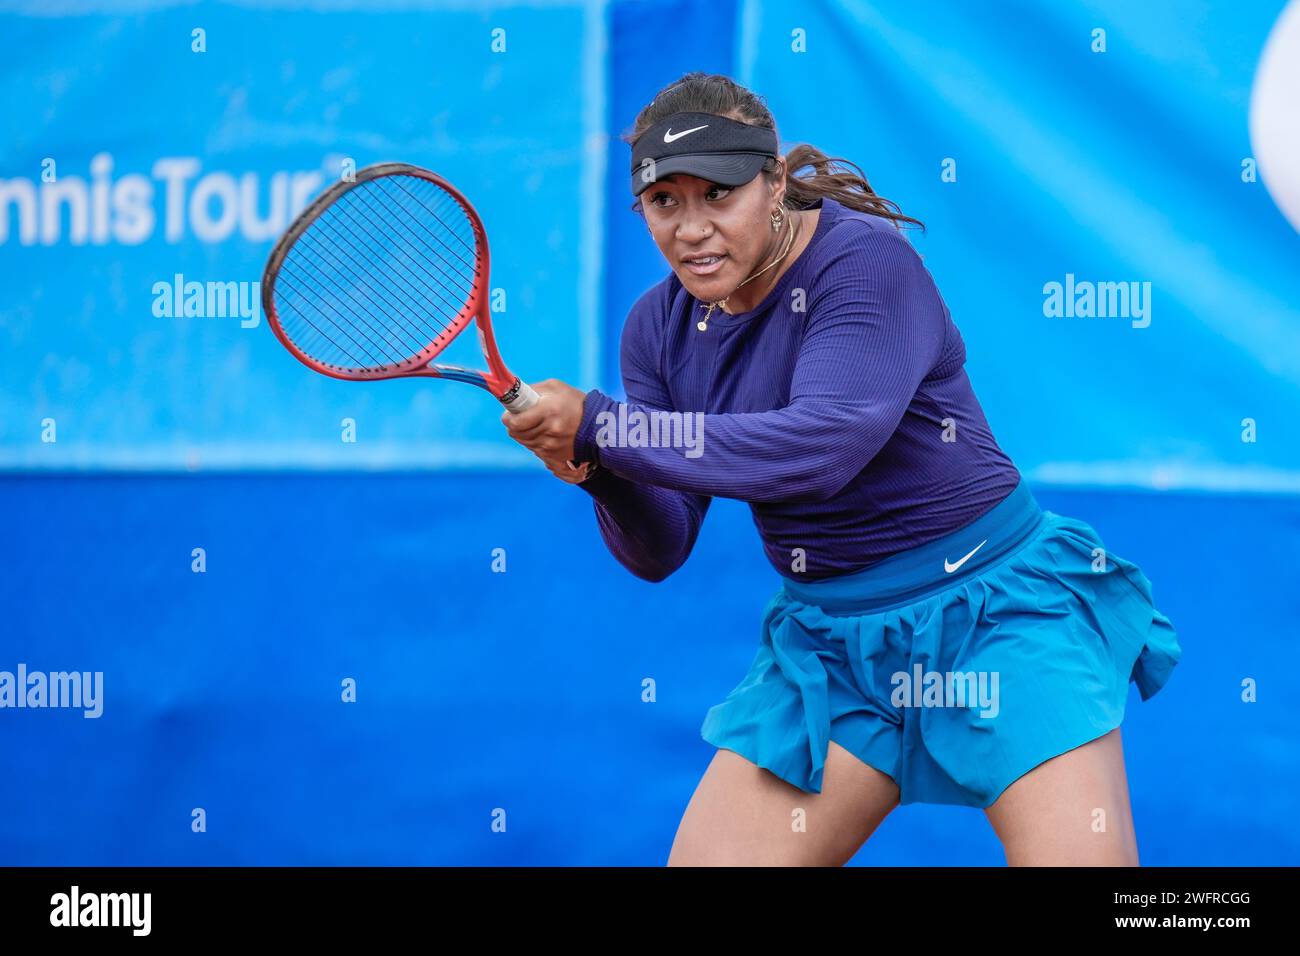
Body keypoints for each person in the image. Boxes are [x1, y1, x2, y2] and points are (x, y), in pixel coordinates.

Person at [500, 71, 1181, 866]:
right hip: (829, 652)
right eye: (665, 203)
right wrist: (596, 467)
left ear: (774, 182)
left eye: (717, 194)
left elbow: (822, 448)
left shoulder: (866, 268)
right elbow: (662, 545)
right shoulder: (656, 329)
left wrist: (609, 425)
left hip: (999, 618)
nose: (690, 229)